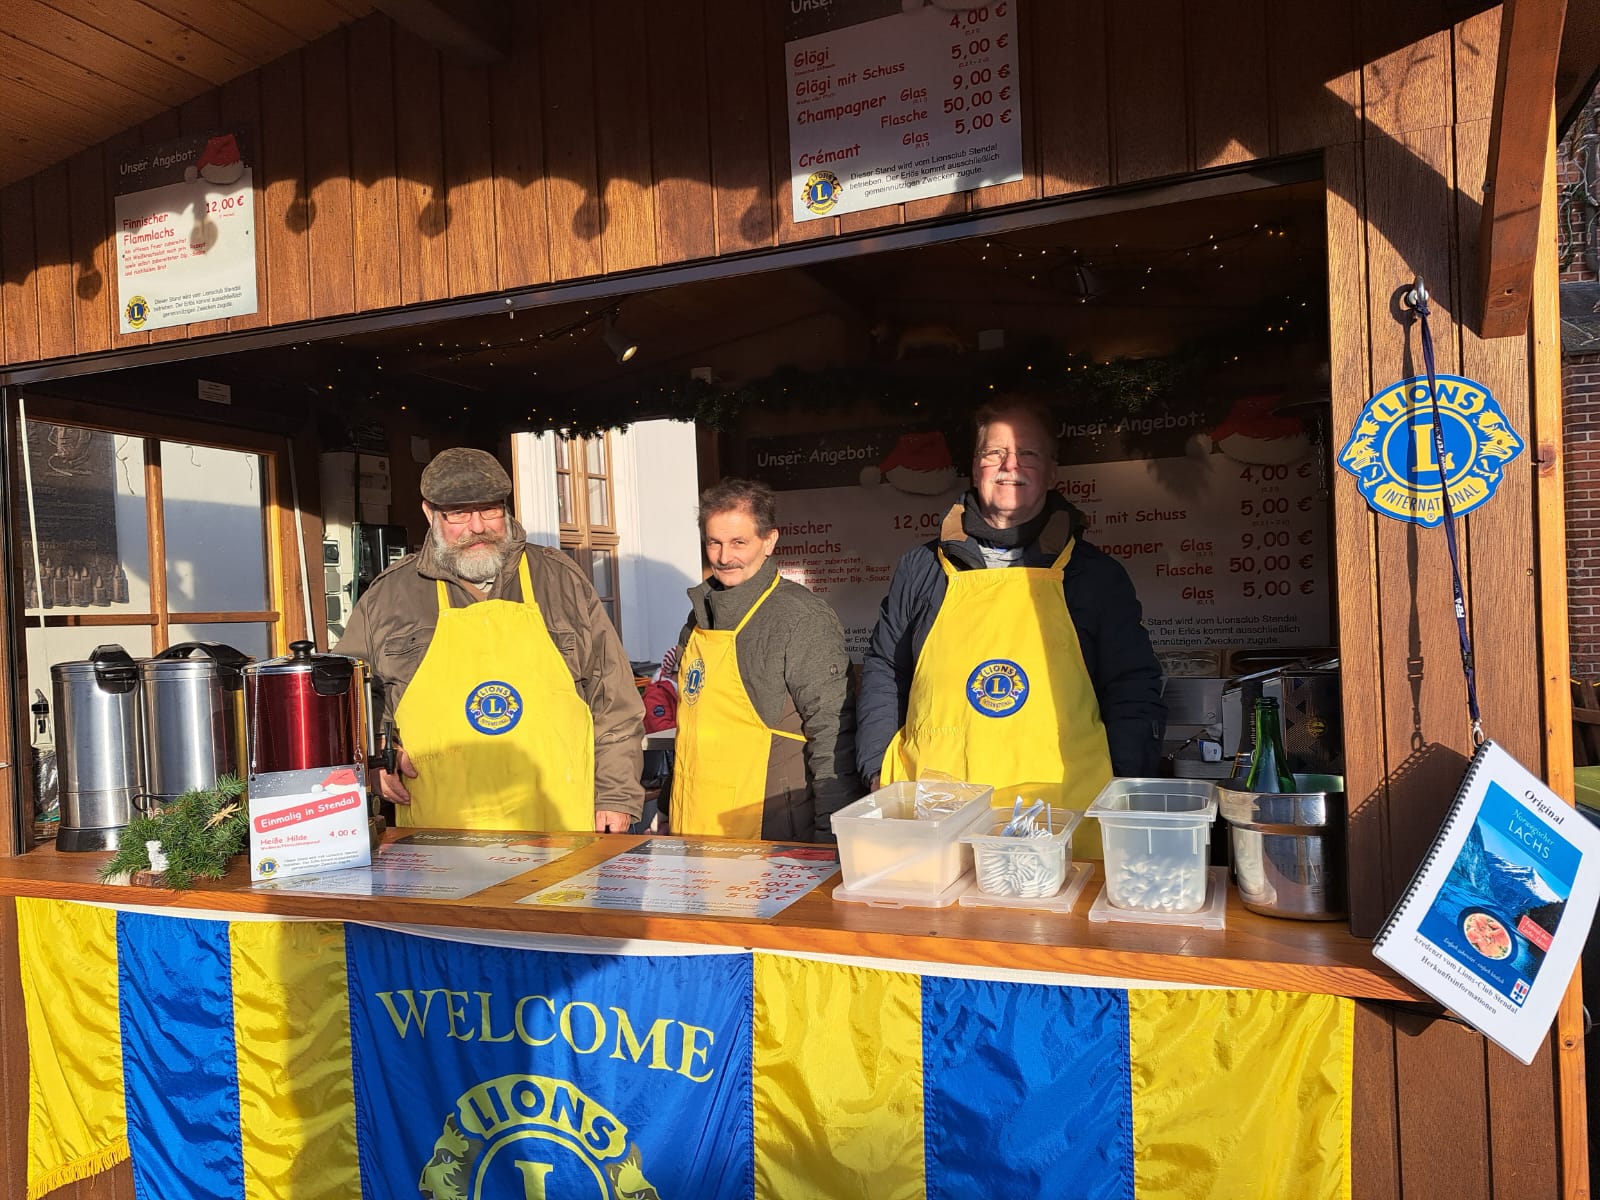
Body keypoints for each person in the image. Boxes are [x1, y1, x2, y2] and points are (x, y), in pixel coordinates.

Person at [856, 397, 1165, 841]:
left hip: (1062, 815)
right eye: (993, 453)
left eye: (1027, 454)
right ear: (974, 466)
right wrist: (874, 767)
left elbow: (1133, 685)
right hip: (936, 811)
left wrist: (1125, 777)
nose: (1009, 465)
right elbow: (886, 667)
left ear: (1053, 471)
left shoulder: (1094, 575)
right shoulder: (922, 567)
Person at [337, 447, 643, 833]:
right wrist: (375, 763)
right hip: (439, 825)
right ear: (430, 513)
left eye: (490, 510)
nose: (477, 526)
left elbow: (613, 697)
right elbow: (350, 704)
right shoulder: (389, 597)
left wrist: (615, 796)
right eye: (458, 513)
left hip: (561, 820)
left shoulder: (560, 581)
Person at [671, 478, 859, 841]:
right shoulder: (698, 618)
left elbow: (832, 734)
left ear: (769, 541)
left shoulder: (800, 618)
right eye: (715, 542)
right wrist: (667, 803)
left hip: (768, 834)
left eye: (739, 542)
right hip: (691, 823)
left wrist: (832, 837)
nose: (724, 557)